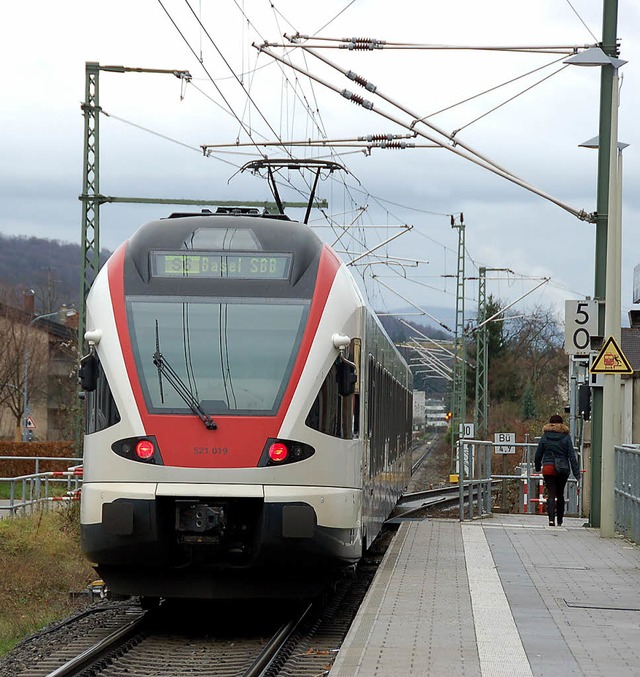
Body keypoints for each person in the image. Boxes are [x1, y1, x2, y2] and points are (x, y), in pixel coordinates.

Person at [534, 414, 580, 526]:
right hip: (563, 469)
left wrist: (538, 467)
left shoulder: (545, 436)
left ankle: (551, 519)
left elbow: (538, 454)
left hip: (548, 468)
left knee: (551, 493)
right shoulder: (566, 437)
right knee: (560, 494)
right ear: (562, 424)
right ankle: (560, 520)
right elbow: (572, 456)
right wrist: (576, 473)